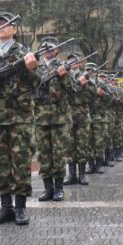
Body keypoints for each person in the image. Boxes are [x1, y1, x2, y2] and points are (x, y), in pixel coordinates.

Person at [0, 12, 37, 226]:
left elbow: (36, 82)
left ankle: (21, 207)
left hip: (19, 116)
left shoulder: (25, 52)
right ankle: (6, 207)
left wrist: (31, 70)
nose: (1, 28)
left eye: (6, 25)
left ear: (14, 29)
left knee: (21, 161)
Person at [34, 37, 76, 202]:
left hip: (59, 118)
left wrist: (63, 76)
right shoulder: (36, 67)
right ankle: (47, 189)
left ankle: (58, 188)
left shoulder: (63, 67)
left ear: (57, 50)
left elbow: (74, 88)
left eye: (51, 48)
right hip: (40, 117)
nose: (48, 51)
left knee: (58, 154)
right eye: (44, 48)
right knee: (43, 154)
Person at [64, 53, 95, 186]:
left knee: (82, 145)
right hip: (68, 114)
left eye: (76, 60)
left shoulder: (86, 76)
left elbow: (92, 95)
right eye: (70, 59)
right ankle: (72, 175)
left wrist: (85, 84)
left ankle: (82, 175)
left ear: (81, 63)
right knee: (69, 146)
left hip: (82, 114)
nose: (73, 62)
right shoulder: (63, 75)